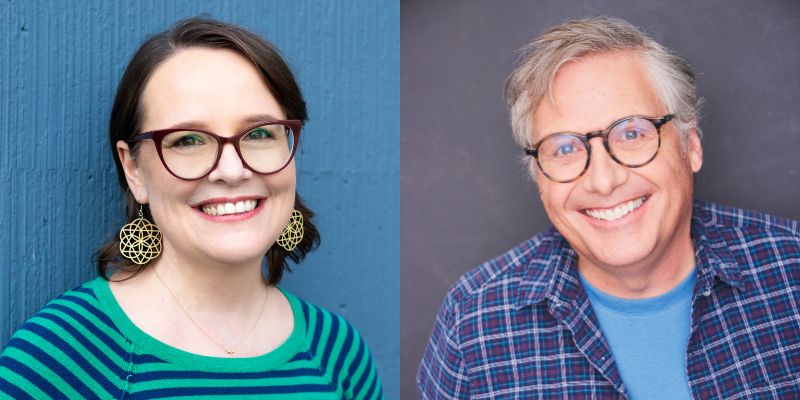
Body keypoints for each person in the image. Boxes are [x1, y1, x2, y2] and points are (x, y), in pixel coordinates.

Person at [418, 16, 800, 399]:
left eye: (632, 133)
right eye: (564, 148)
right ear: (538, 176)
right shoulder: (473, 322)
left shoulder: (791, 270)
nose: (603, 181)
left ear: (691, 146)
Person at [0, 17, 383, 399]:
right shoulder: (62, 357)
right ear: (133, 169)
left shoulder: (338, 352)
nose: (233, 171)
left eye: (260, 133)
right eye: (187, 140)